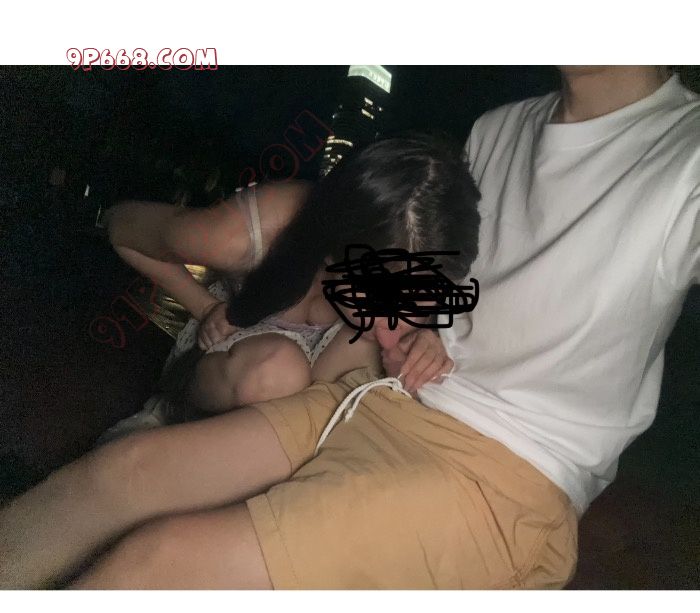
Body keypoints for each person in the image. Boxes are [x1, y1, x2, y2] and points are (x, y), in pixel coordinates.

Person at [1, 66, 697, 590]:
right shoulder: (500, 127)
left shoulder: (684, 156)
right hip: (387, 398)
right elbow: (459, 280)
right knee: (124, 472)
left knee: (159, 562)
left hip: (506, 469)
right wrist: (432, 332)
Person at [0, 135, 481, 589]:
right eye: (381, 297)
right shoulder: (251, 233)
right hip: (219, 373)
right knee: (277, 370)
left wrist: (425, 341)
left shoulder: (408, 295)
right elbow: (123, 227)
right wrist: (206, 307)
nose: (396, 322)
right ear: (338, 248)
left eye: (418, 302)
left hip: (284, 418)